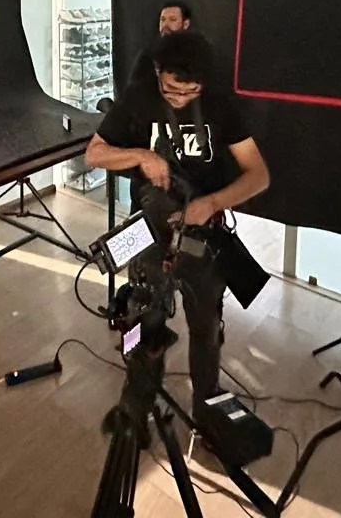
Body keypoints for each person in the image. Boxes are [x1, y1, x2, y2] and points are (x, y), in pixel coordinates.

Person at [87, 30, 270, 409]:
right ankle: (137, 405)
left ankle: (208, 409)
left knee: (205, 329)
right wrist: (141, 155)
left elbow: (258, 175)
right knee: (143, 323)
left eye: (191, 91)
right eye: (172, 90)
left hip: (203, 234)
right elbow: (95, 154)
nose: (182, 98)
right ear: (158, 72)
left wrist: (212, 203)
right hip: (151, 231)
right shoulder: (140, 97)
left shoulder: (219, 103)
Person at [126, 0, 194, 88]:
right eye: (162, 20)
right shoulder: (148, 54)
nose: (165, 25)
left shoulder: (195, 54)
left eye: (172, 20)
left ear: (185, 24)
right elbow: (133, 89)